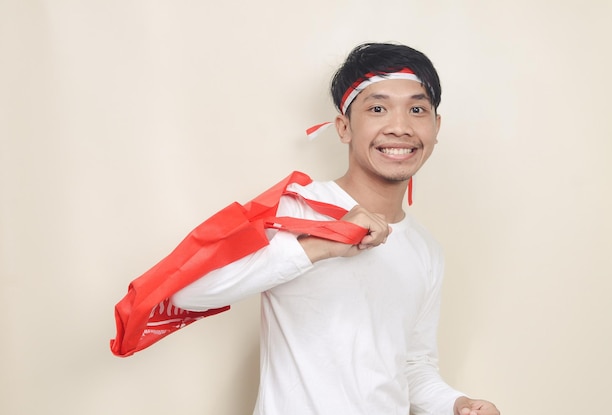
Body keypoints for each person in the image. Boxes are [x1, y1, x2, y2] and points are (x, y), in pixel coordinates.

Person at [171, 42, 500, 415]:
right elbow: (187, 294)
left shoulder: (426, 249)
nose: (400, 127)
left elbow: (413, 366)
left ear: (436, 127)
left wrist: (458, 404)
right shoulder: (294, 210)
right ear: (344, 127)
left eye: (417, 109)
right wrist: (320, 245)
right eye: (377, 108)